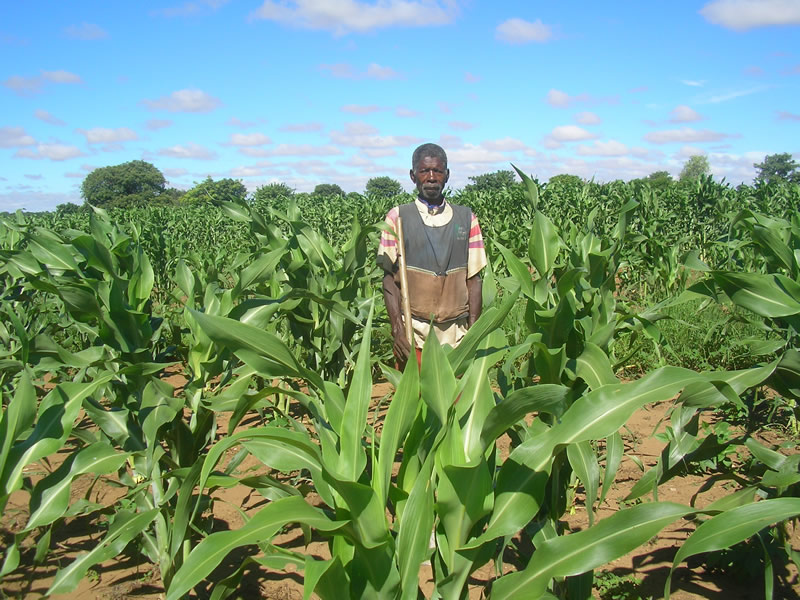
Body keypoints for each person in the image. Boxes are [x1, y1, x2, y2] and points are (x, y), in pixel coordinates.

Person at [377, 143, 487, 368]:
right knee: (414, 400)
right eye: (424, 171)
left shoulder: (467, 219)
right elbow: (389, 278)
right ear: (413, 175)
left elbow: (474, 279)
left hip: (456, 335)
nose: (431, 177)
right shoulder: (397, 218)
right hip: (413, 334)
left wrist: (474, 333)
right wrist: (397, 330)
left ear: (447, 176)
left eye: (437, 171)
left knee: (456, 400)